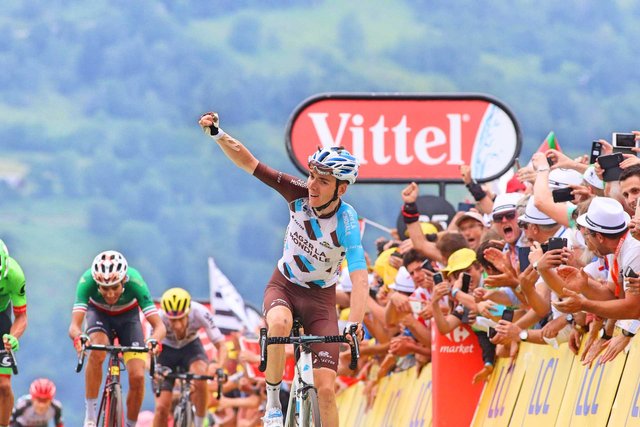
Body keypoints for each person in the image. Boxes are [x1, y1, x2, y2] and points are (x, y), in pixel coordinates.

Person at [198, 112, 367, 427]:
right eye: (312, 176)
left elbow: (359, 279)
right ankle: (274, 404)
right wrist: (218, 134)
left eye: (324, 181)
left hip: (320, 300)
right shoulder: (298, 192)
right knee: (277, 323)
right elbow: (250, 163)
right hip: (285, 286)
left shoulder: (347, 223)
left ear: (341, 190)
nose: (313, 185)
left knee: (327, 390)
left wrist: (354, 323)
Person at [68, 250, 166, 427]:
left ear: (124, 281)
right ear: (97, 284)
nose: (110, 293)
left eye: (115, 287)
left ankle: (130, 424)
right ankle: (90, 416)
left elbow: (159, 326)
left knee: (137, 376)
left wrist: (153, 340)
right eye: (105, 288)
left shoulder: (136, 282)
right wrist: (79, 337)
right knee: (97, 350)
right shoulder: (86, 281)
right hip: (98, 314)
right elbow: (74, 326)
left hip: (128, 318)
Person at [153, 288, 228, 427]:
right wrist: (153, 368)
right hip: (167, 351)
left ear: (188, 312)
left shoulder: (200, 312)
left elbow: (222, 346)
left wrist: (217, 365)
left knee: (200, 375)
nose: (177, 325)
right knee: (162, 407)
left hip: (190, 347)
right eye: (173, 320)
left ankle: (200, 423)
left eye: (181, 319)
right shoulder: (159, 318)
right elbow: (148, 352)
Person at [0, 240, 27, 427]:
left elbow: (21, 317)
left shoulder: (15, 274)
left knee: (4, 386)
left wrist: (13, 337)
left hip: (1, 318)